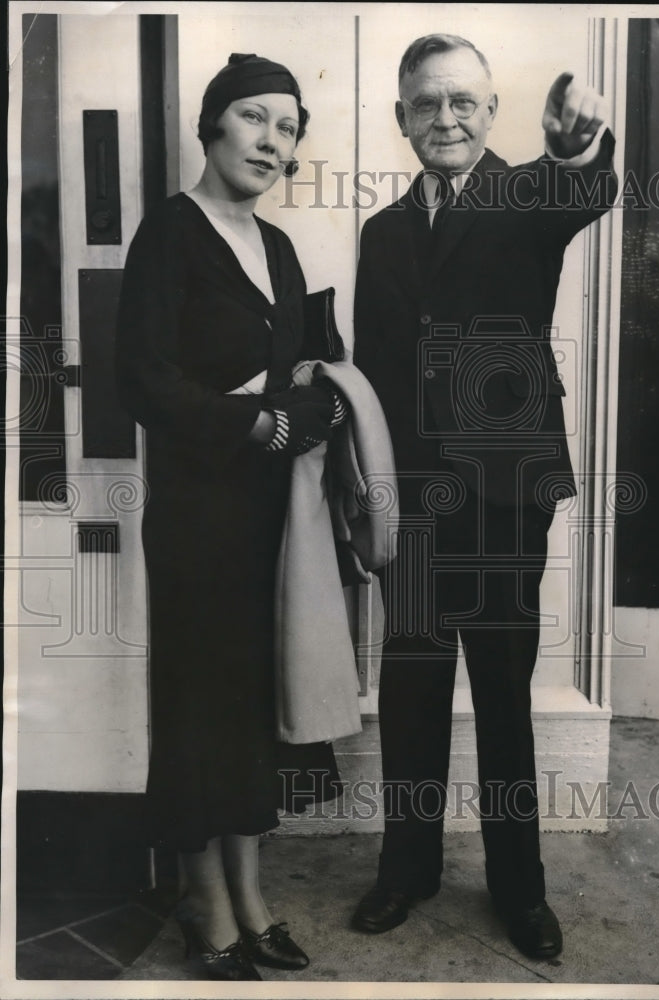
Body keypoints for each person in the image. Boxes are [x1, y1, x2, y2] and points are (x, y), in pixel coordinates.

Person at [351, 34, 617, 959]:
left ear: (492, 113)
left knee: (504, 696)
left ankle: (520, 891)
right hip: (414, 510)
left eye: (464, 102)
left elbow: (585, 188)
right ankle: (407, 869)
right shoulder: (381, 234)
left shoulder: (523, 194)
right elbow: (378, 378)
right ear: (402, 119)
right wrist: (372, 497)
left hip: (504, 501)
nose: (447, 119)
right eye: (427, 104)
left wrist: (578, 147)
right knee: (411, 687)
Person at [116, 53, 346, 981]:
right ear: (212, 127)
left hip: (271, 520)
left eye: (287, 127)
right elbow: (145, 378)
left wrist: (313, 403)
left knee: (254, 706)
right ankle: (202, 901)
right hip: (198, 514)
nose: (269, 140)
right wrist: (256, 418)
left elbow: (311, 370)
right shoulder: (168, 235)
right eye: (253, 118)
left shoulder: (281, 249)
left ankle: (251, 894)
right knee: (197, 707)